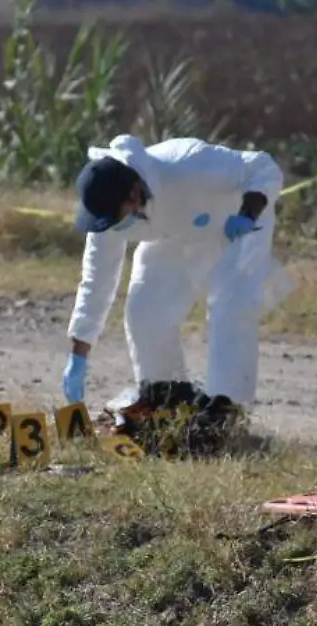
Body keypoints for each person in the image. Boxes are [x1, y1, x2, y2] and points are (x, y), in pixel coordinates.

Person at [61, 134, 294, 434]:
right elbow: (96, 280)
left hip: (236, 225)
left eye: (112, 217)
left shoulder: (188, 164)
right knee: (145, 308)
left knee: (231, 307)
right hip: (173, 234)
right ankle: (167, 395)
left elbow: (263, 167)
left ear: (134, 194)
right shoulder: (107, 216)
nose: (107, 225)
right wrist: (78, 354)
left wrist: (247, 212)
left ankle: (226, 412)